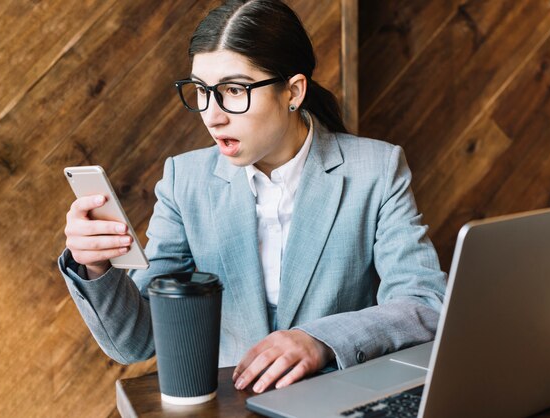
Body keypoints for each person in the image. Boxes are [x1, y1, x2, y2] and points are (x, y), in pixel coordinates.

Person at [59, 0, 446, 394]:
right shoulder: (185, 180)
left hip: (340, 402)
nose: (212, 115)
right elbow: (136, 341)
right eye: (202, 91)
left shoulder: (376, 169)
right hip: (231, 405)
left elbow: (425, 303)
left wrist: (320, 340)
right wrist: (96, 268)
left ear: (293, 92)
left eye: (233, 89)